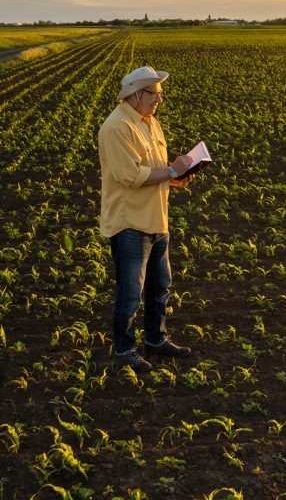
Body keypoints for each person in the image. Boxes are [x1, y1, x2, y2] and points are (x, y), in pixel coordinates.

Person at [98, 65, 195, 372]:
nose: (159, 101)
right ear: (135, 94)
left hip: (156, 218)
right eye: (154, 94)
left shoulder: (149, 122)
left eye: (159, 95)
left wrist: (175, 177)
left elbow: (154, 166)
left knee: (159, 287)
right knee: (130, 295)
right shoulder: (116, 128)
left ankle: (155, 340)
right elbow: (130, 176)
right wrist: (171, 172)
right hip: (130, 223)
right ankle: (124, 350)